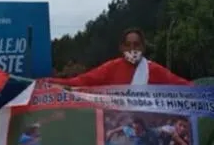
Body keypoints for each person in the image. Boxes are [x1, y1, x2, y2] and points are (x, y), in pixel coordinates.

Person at [46, 28, 191, 86]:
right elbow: (82, 81)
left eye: (137, 44)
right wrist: (49, 82)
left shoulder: (155, 70)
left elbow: (183, 86)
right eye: (128, 45)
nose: (133, 49)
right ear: (121, 48)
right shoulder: (111, 68)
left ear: (143, 47)